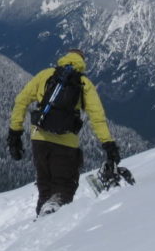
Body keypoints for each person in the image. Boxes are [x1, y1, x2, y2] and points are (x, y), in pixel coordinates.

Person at [7, 49, 121, 216]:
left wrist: (14, 132)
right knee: (65, 187)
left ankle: (40, 225)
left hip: (39, 140)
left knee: (45, 187)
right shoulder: (83, 83)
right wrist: (108, 143)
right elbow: (97, 117)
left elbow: (21, 101)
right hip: (65, 143)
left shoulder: (45, 75)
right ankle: (53, 215)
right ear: (82, 62)